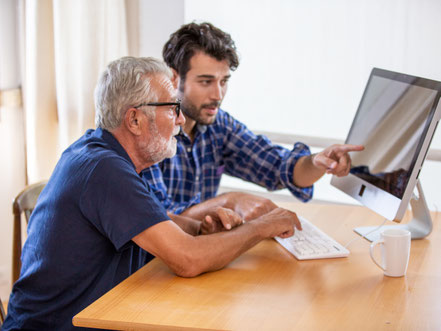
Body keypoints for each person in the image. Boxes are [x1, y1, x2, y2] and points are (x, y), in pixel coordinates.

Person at [2, 56, 301, 331]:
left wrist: (199, 227)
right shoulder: (104, 170)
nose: (182, 120)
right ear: (134, 120)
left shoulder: (104, 154)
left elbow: (149, 221)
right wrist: (262, 227)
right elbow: (188, 260)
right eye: (173, 109)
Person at [142, 22, 364, 222]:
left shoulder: (218, 126)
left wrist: (317, 161)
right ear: (173, 78)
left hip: (200, 253)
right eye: (206, 82)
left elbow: (279, 168)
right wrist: (229, 202)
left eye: (224, 81)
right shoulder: (149, 133)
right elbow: (160, 219)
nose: (218, 94)